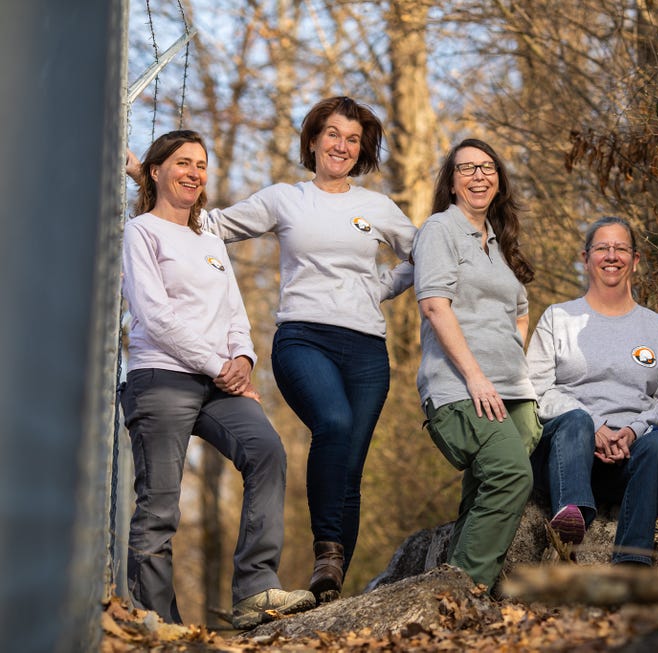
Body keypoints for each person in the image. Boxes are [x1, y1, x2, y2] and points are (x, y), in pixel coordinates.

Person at [197, 97, 417, 601]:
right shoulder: (284, 199)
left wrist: (382, 286)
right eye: (333, 134)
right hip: (303, 338)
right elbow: (212, 226)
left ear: (361, 150)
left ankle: (330, 586)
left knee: (352, 469)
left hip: (366, 349)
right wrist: (151, 177)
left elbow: (425, 253)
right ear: (314, 140)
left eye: (353, 139)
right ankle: (327, 551)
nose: (341, 145)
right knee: (333, 424)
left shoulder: (376, 207)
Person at [119, 130, 315, 629]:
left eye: (202, 165)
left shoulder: (207, 237)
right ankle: (157, 625)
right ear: (155, 170)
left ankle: (255, 588)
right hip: (160, 377)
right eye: (182, 162)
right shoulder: (141, 232)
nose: (194, 172)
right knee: (160, 507)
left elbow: (234, 310)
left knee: (266, 449)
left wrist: (244, 358)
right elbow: (155, 316)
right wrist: (217, 364)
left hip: (219, 382)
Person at [526, 217, 658, 565]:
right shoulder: (558, 318)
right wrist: (594, 425)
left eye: (621, 248)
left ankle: (631, 561)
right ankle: (573, 519)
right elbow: (536, 389)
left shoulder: (657, 327)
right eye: (602, 248)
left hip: (629, 460)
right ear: (585, 259)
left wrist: (633, 431)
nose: (611, 255)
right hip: (566, 458)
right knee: (574, 421)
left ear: (635, 260)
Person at [413, 138, 541, 588]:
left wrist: (510, 358)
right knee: (510, 474)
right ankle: (461, 592)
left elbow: (521, 307)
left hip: (512, 389)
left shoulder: (500, 242)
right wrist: (477, 376)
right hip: (461, 388)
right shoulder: (439, 230)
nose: (479, 175)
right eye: (466, 169)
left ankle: (443, 586)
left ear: (499, 180)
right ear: (451, 184)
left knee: (486, 487)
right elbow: (434, 305)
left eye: (487, 167)